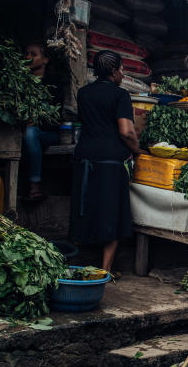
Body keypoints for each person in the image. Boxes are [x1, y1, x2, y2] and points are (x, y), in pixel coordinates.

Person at [69, 50, 148, 274]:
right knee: (112, 215)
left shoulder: (83, 93)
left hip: (84, 157)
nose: (123, 74)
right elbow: (126, 132)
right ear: (113, 72)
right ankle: (105, 269)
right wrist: (138, 150)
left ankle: (76, 264)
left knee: (84, 209)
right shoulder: (120, 95)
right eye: (122, 69)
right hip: (111, 162)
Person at [22, 41, 64, 201]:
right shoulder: (21, 82)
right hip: (23, 131)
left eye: (34, 54)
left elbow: (56, 117)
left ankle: (35, 186)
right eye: (26, 54)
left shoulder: (53, 84)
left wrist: (36, 121)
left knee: (31, 133)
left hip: (48, 134)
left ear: (45, 60)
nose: (28, 57)